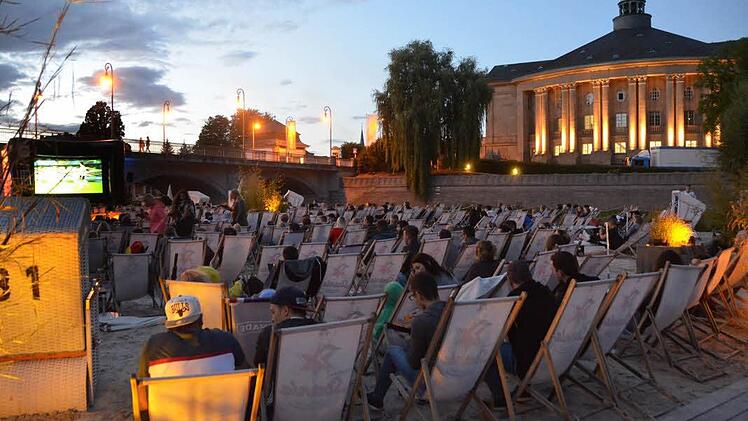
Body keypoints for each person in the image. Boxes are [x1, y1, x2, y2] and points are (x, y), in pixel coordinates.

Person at [367, 272, 446, 411]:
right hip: (456, 377)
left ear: (419, 295)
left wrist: (410, 342)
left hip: (430, 383)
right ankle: (377, 397)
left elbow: (414, 363)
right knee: (402, 347)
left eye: (413, 297)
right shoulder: (451, 311)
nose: (414, 300)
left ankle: (377, 398)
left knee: (393, 351)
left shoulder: (421, 321)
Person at [483, 261, 557, 407]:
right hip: (552, 354)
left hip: (527, 361)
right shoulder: (545, 291)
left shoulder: (516, 298)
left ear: (510, 280)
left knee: (486, 353)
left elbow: (504, 332)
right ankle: (524, 390)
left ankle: (500, 398)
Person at [138, 295, 248, 378]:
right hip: (228, 408)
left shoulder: (154, 346)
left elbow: (143, 384)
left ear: (169, 326)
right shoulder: (225, 339)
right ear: (201, 319)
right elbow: (248, 374)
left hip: (170, 408)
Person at [253, 287, 317, 367]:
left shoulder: (270, 332)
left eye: (273, 312)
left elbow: (259, 364)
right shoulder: (322, 329)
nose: (272, 318)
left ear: (285, 311)